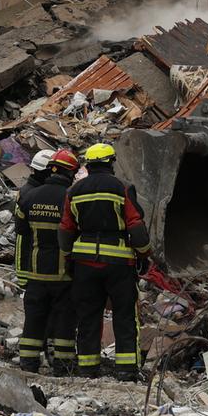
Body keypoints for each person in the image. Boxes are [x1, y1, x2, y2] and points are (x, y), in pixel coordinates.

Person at [58, 142, 152, 381]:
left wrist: (69, 258)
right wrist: (144, 254)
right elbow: (136, 227)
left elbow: (66, 230)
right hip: (119, 265)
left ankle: (88, 368)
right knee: (124, 315)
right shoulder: (122, 187)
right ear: (111, 162)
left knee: (88, 315)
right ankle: (126, 370)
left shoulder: (74, 191)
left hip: (84, 265)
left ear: (88, 165)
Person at [14, 148, 80, 375]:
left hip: (35, 272)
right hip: (63, 274)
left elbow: (21, 231)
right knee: (63, 320)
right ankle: (63, 366)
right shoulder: (71, 199)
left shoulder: (29, 196)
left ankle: (29, 365)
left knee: (33, 320)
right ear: (70, 173)